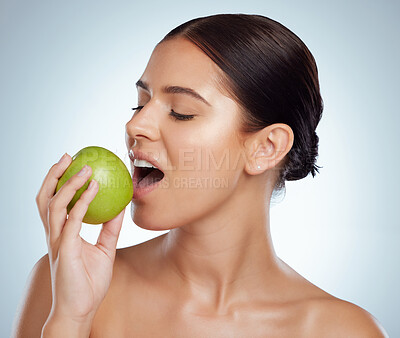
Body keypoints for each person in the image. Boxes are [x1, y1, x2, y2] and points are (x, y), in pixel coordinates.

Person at [12, 14, 387, 337]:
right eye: (140, 104)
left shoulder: (343, 331)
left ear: (266, 147)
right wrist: (69, 321)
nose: (135, 124)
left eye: (181, 112)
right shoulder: (67, 284)